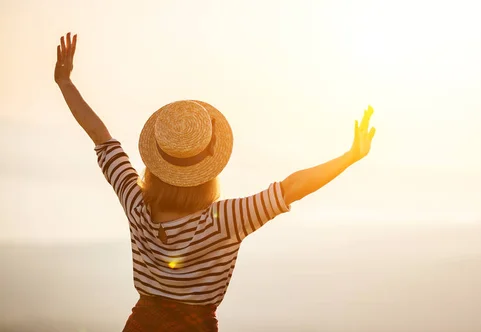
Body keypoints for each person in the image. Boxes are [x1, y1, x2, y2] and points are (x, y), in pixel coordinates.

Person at [54, 32, 376, 332]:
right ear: (208, 169)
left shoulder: (136, 203)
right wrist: (349, 157)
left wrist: (65, 82)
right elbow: (291, 188)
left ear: (156, 162)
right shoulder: (223, 222)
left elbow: (101, 136)